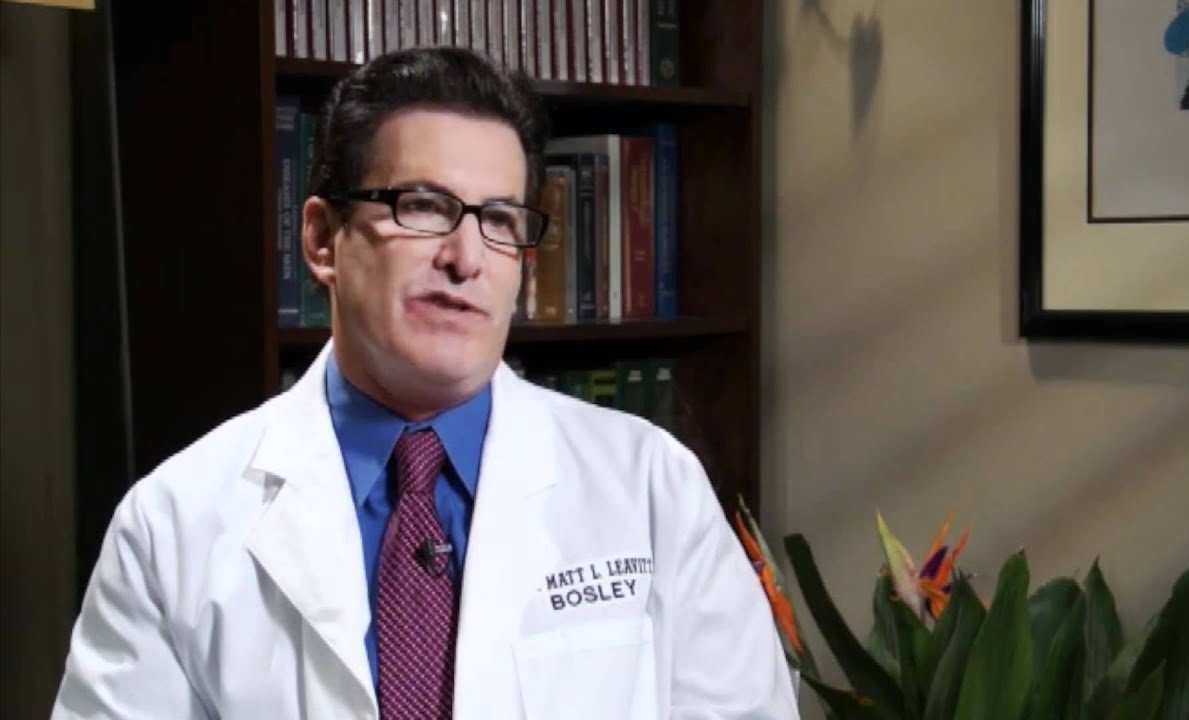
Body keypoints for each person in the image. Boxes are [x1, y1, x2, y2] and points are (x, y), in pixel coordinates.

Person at [51, 47, 798, 719]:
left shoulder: (650, 487)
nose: (465, 257)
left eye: (500, 220)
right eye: (423, 207)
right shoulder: (174, 523)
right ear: (321, 240)